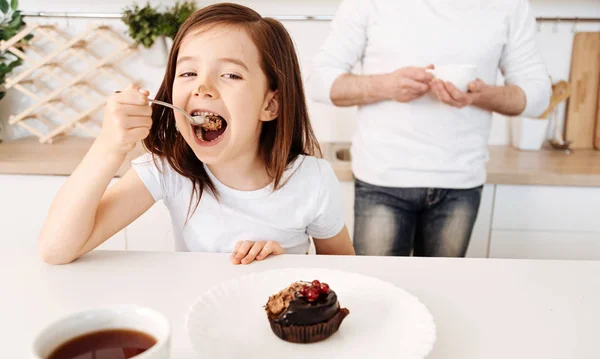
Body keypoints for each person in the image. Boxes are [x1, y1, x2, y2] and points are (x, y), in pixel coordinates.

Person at [38, 3, 355, 265]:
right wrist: (109, 147)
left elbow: (345, 270)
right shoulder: (170, 169)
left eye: (230, 74)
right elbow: (56, 249)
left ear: (270, 105)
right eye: (188, 72)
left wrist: (285, 265)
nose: (203, 88)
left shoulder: (311, 180)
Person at [308, 0, 550, 257]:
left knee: (440, 289)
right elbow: (319, 83)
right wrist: (387, 85)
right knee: (377, 288)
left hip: (460, 183)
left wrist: (480, 95)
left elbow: (539, 96)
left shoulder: (509, 6)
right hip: (382, 179)